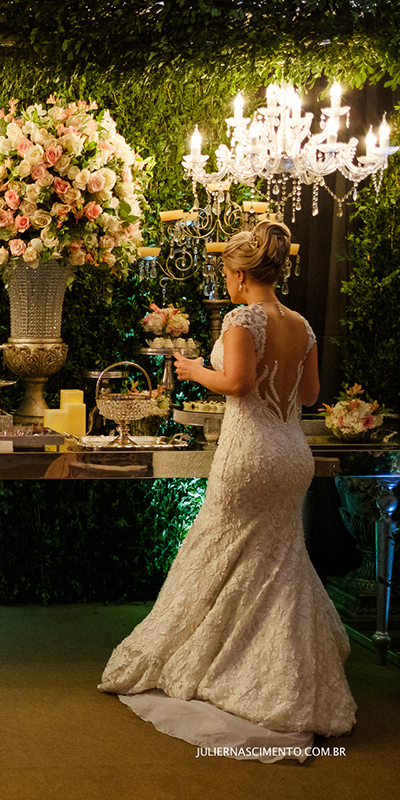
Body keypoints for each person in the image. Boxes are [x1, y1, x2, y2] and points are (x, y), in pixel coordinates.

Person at [98, 220, 355, 758]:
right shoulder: (303, 324)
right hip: (291, 455)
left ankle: (225, 665)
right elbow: (307, 395)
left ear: (239, 275)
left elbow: (237, 383)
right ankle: (285, 672)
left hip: (251, 454)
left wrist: (193, 370)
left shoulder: (243, 317)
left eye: (225, 273)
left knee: (220, 552)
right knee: (276, 558)